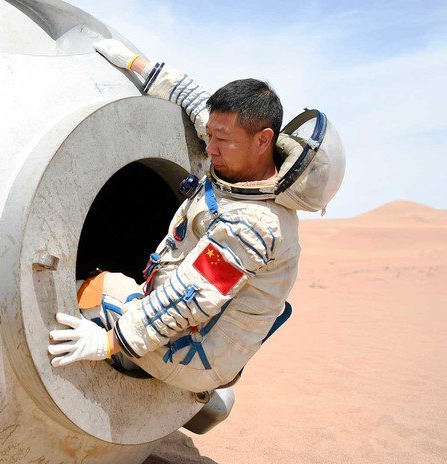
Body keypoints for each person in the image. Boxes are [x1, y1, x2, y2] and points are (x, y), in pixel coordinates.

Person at [47, 39, 346, 393]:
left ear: (263, 139)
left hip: (197, 351)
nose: (209, 147)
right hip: (201, 323)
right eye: (212, 134)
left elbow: (190, 297)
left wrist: (109, 342)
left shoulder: (254, 224)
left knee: (95, 291)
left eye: (221, 140)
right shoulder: (242, 148)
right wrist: (134, 62)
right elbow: (192, 98)